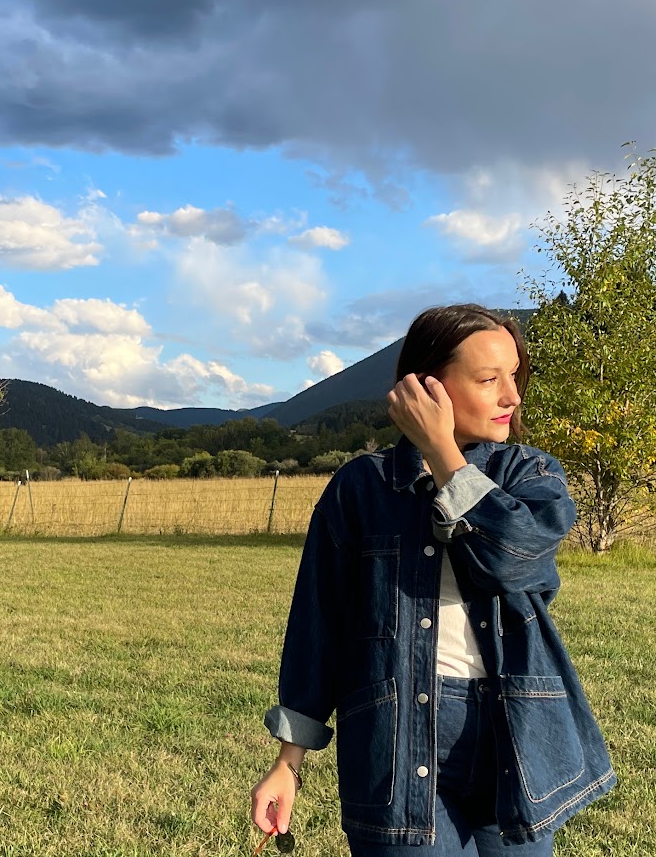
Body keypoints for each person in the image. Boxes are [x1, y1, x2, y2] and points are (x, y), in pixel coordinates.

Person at [251, 304, 617, 855]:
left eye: (514, 375)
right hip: (395, 742)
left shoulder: (531, 474)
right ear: (428, 388)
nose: (512, 397)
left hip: (515, 735)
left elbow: (514, 559)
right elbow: (317, 626)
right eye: (489, 380)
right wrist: (288, 763)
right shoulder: (362, 488)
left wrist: (443, 452)